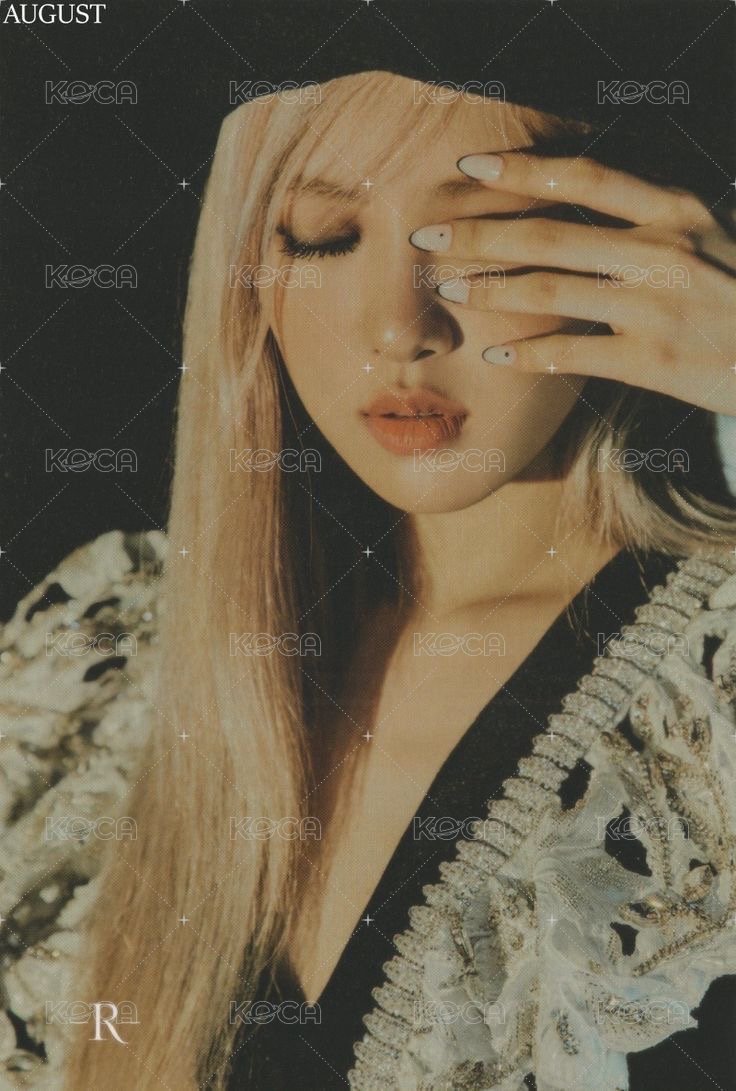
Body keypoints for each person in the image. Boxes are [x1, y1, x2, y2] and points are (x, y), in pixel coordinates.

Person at [2, 70, 735, 1090]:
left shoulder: (711, 702)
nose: (400, 325)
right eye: (322, 239)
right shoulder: (105, 664)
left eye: (481, 236)